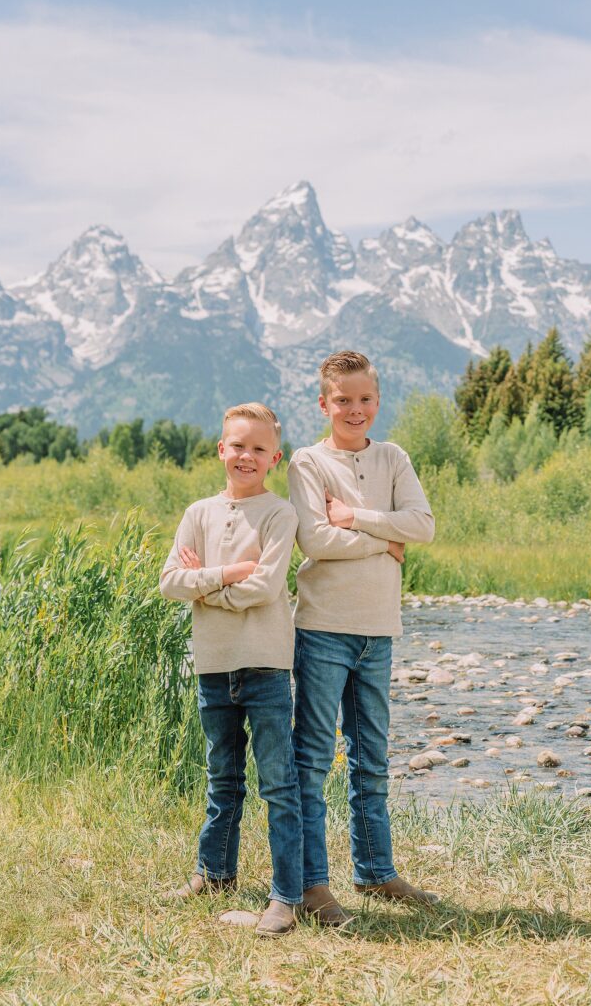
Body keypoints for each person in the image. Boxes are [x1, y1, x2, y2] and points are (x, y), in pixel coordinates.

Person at [287, 350, 438, 926]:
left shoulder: (393, 457)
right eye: (343, 400)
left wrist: (356, 517)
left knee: (371, 760)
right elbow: (315, 541)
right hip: (323, 629)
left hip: (379, 631)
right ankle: (311, 884)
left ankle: (376, 871)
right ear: (323, 403)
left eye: (365, 399)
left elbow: (423, 525)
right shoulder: (307, 461)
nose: (356, 409)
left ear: (377, 400)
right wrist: (386, 540)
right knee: (312, 760)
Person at [160, 402, 302, 937]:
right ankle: (214, 874)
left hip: (266, 665)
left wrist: (205, 586)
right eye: (238, 445)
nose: (247, 455)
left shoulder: (279, 514)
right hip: (214, 665)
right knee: (222, 777)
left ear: (274, 458)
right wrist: (228, 573)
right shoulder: (198, 513)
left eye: (259, 448)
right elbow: (170, 581)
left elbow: (264, 588)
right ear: (221, 449)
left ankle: (285, 896)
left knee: (279, 784)